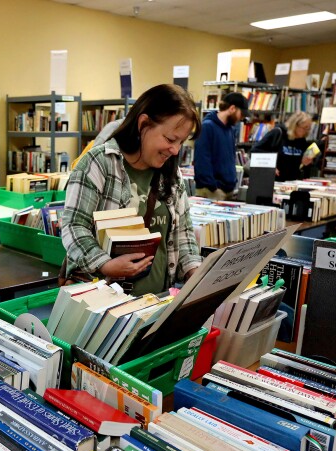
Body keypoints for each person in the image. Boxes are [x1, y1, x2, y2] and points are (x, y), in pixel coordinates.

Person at [62, 84, 203, 295]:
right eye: (170, 139)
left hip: (157, 301)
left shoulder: (172, 174)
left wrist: (194, 269)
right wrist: (105, 264)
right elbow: (74, 226)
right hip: (104, 301)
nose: (175, 150)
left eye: (181, 142)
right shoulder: (100, 163)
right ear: (143, 123)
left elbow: (183, 233)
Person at [193, 92, 250, 200]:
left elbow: (230, 158)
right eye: (241, 114)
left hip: (228, 189)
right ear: (232, 108)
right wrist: (213, 186)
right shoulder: (207, 127)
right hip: (212, 191)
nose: (241, 118)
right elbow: (201, 160)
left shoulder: (230, 129)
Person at [252, 111, 315, 181]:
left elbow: (301, 163)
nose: (306, 131)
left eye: (308, 128)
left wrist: (306, 161)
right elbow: (255, 150)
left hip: (291, 183)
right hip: (273, 181)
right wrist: (269, 165)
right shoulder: (278, 133)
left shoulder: (302, 140)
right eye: (305, 128)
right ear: (295, 125)